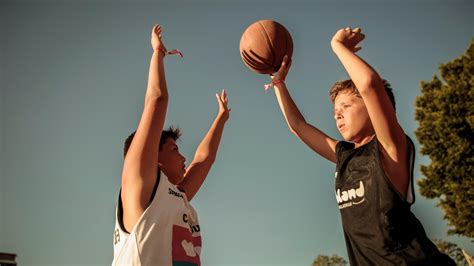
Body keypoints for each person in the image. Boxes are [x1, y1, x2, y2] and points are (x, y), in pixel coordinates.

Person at [268, 27, 455, 265]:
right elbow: (298, 125)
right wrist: (279, 83)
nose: (338, 114)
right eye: (335, 111)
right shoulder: (344, 156)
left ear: (374, 106)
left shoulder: (390, 147)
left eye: (346, 106)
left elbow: (369, 84)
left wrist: (338, 46)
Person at [112, 24, 230, 265]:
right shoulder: (139, 185)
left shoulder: (176, 196)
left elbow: (204, 159)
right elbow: (157, 100)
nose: (183, 158)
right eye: (174, 150)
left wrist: (221, 118)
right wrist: (158, 53)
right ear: (153, 157)